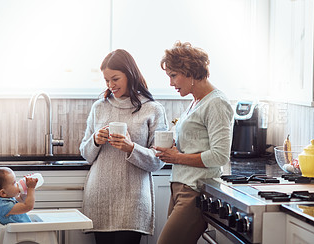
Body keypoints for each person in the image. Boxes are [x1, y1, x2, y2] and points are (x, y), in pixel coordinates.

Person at [79, 49, 168, 244]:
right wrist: (95, 140)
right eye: (106, 80)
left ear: (130, 74)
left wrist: (131, 148)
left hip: (133, 200)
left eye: (115, 79)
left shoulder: (153, 109)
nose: (111, 85)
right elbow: (85, 154)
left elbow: (159, 160)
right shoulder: (99, 107)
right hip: (100, 197)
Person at [155, 41, 234, 244]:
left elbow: (220, 155)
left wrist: (177, 157)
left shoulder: (216, 103)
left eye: (174, 75)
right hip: (181, 186)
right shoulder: (196, 101)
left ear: (189, 72)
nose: (171, 83)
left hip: (195, 190)